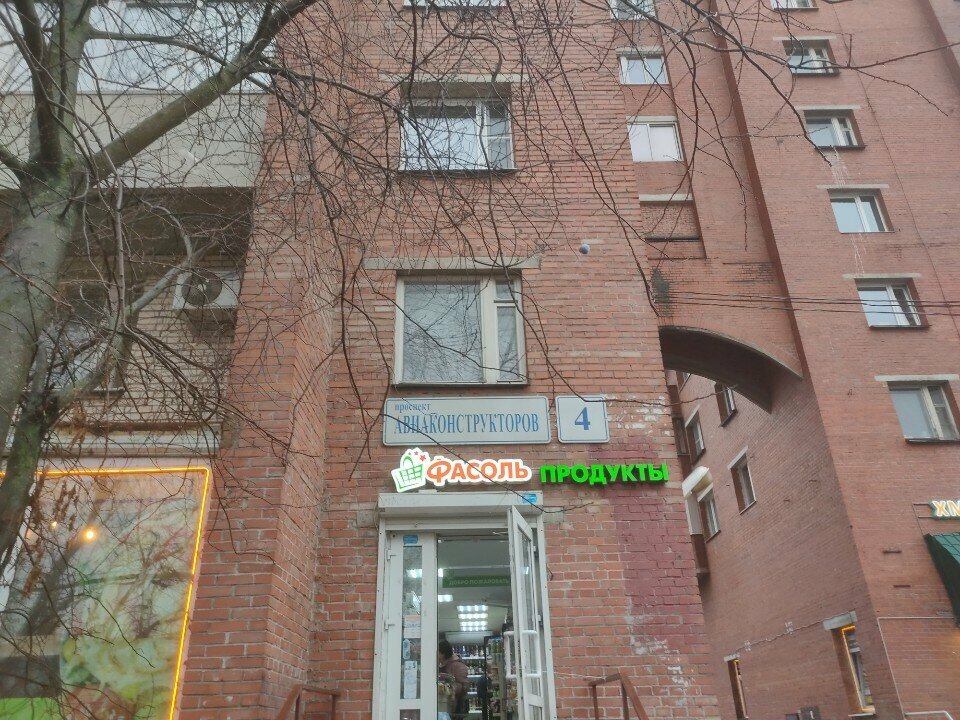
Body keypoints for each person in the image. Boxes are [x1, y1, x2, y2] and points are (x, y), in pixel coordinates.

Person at [438, 640, 470, 720]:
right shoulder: (440, 665)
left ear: (443, 654)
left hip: (454, 707)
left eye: (438, 652)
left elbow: (464, 687)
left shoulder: (457, 665)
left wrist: (446, 685)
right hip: (443, 705)